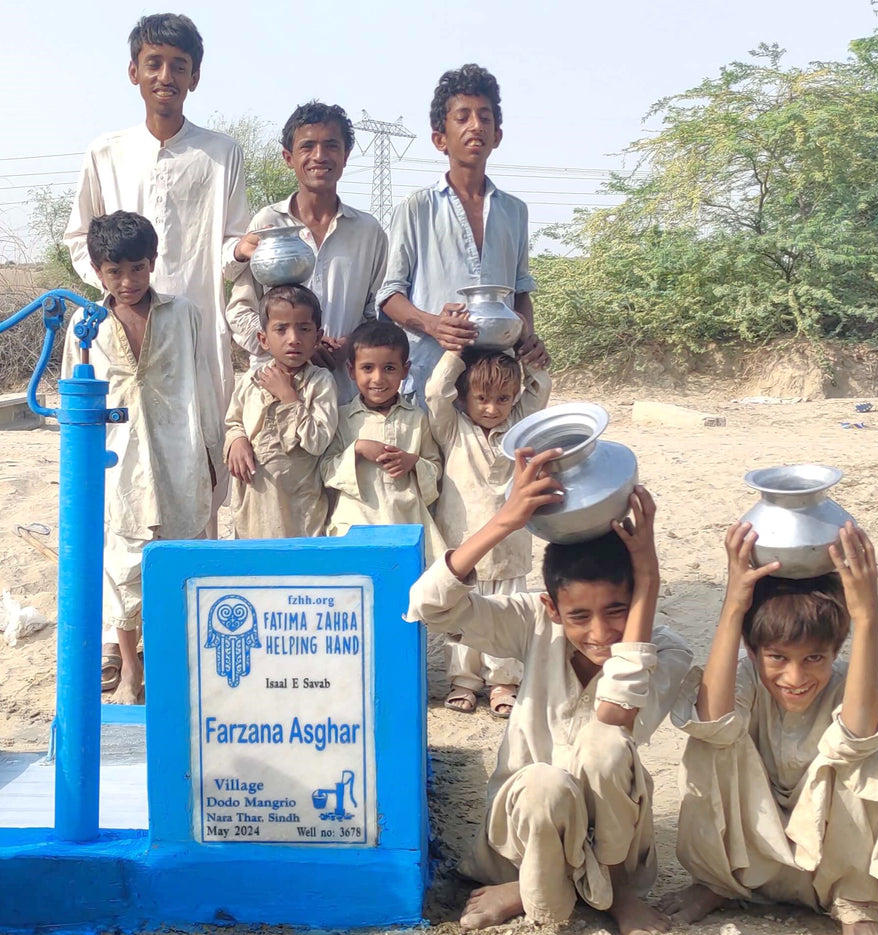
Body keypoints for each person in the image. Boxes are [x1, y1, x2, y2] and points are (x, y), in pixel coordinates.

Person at [407, 449, 693, 935]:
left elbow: (616, 714)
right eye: (580, 616)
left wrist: (648, 577)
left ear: (641, 600)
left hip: (614, 845)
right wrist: (504, 521)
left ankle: (595, 891)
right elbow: (429, 606)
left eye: (619, 610)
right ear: (553, 608)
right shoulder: (533, 623)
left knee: (604, 746)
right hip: (526, 823)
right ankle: (533, 881)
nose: (600, 632)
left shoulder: (666, 653)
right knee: (544, 781)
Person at [663, 520, 878, 935]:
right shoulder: (745, 679)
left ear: (836, 650)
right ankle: (716, 884)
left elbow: (858, 738)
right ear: (753, 650)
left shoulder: (847, 685)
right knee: (710, 743)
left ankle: (856, 904)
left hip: (827, 865)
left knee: (863, 760)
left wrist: (866, 616)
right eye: (777, 658)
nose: (796, 677)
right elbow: (712, 721)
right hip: (752, 858)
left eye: (814, 658)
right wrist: (734, 604)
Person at [63, 13, 250, 543]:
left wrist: (241, 248)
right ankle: (123, 610)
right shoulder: (105, 152)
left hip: (194, 331)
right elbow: (81, 238)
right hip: (121, 335)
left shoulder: (222, 153)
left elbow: (229, 245)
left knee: (199, 455)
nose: (166, 75)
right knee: (120, 464)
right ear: (133, 71)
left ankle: (190, 596)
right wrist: (113, 293)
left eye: (179, 65)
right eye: (154, 63)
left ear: (195, 77)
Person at [63, 211, 218, 705]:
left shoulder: (184, 314)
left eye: (137, 268)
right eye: (115, 271)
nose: (127, 281)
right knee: (122, 565)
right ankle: (131, 669)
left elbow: (205, 385)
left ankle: (172, 667)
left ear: (153, 264)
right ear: (97, 270)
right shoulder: (85, 324)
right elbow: (73, 403)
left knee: (180, 559)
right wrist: (78, 468)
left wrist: (211, 450)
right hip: (116, 462)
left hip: (179, 452)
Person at [378, 63, 548, 408]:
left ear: (497, 135)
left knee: (491, 462)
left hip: (494, 388)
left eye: (485, 118)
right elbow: (388, 295)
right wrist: (432, 324)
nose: (476, 126)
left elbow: (519, 292)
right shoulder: (417, 208)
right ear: (440, 139)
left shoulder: (514, 211)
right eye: (463, 117)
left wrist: (526, 335)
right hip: (432, 380)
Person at [227, 101, 388, 404]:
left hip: (344, 397)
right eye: (307, 146)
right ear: (289, 157)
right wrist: (292, 346)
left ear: (346, 155)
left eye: (331, 146)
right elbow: (240, 309)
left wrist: (352, 347)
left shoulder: (369, 232)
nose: (319, 156)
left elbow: (377, 314)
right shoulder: (267, 224)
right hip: (272, 397)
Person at [425, 348, 551, 717]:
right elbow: (435, 392)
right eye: (482, 398)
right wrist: (454, 353)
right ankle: (464, 681)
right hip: (464, 543)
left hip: (511, 545)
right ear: (464, 397)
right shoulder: (453, 430)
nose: (493, 408)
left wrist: (528, 357)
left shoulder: (521, 428)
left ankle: (503, 683)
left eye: (503, 399)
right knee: (463, 612)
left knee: (506, 612)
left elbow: (538, 390)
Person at [321, 321, 444, 564]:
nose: (378, 378)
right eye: (367, 368)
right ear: (351, 370)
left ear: (405, 370)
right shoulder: (343, 418)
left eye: (389, 368)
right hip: (357, 522)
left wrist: (413, 462)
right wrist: (356, 450)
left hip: (406, 522)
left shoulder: (417, 418)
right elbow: (325, 469)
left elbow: (435, 467)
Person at [224, 285, 338, 539]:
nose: (293, 338)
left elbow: (317, 441)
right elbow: (233, 421)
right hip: (255, 500)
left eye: (304, 329)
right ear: (263, 339)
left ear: (318, 337)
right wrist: (237, 441)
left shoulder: (320, 382)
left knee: (299, 571)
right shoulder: (251, 380)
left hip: (300, 503)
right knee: (255, 569)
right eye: (281, 329)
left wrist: (289, 398)